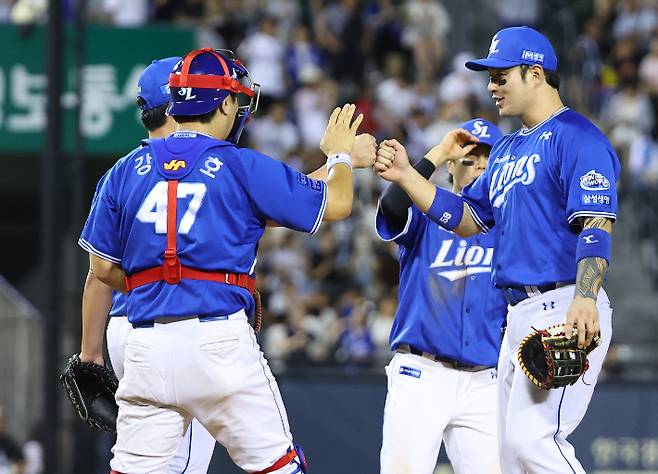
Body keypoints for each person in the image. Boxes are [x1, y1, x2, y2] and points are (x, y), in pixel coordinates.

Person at [78, 47, 366, 473]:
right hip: (218, 342)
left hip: (145, 344)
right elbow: (337, 203)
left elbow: (101, 271)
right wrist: (340, 158)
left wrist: (155, 288)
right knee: (280, 467)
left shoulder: (125, 170)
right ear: (227, 102)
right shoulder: (239, 165)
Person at [375, 26, 620, 474]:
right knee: (509, 459)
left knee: (534, 443)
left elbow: (596, 222)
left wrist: (585, 296)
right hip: (519, 317)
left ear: (535, 73)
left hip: (564, 302)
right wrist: (410, 176)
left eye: (501, 76)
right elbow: (468, 220)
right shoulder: (507, 149)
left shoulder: (578, 137)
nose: (491, 86)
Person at [78, 56, 218, 473]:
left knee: (145, 458)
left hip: (125, 327)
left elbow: (98, 273)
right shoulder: (207, 166)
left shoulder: (122, 172)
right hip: (176, 323)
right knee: (180, 462)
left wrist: (90, 354)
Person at [376, 119, 507, 474]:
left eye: (488, 161)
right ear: (452, 166)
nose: (480, 167)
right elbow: (392, 203)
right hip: (423, 371)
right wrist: (438, 152)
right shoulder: (426, 213)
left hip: (485, 379)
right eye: (470, 158)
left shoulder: (506, 226)